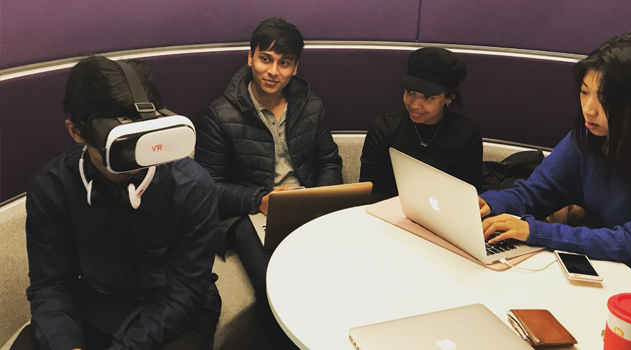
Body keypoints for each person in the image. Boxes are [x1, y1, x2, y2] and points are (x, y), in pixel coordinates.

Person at [10, 56, 221, 350]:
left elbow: (186, 291)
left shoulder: (192, 188)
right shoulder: (51, 186)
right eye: (121, 143)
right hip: (96, 301)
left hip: (173, 305)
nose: (134, 155)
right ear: (75, 131)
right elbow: (51, 285)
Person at [479, 33, 631, 302]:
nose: (588, 110)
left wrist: (535, 231)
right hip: (609, 269)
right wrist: (489, 204)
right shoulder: (588, 137)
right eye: (584, 92)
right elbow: (534, 194)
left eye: (603, 97)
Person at [194, 17, 342, 349]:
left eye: (284, 63)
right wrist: (259, 200)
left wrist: (322, 197)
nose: (273, 71)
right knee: (273, 284)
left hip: (305, 204)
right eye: (266, 59)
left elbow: (328, 160)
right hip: (248, 215)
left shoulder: (311, 106)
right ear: (250, 57)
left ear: (294, 67)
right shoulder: (220, 114)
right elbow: (208, 188)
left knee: (335, 270)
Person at [359, 47, 483, 203]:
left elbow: (469, 194)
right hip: (387, 215)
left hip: (444, 218)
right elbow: (371, 188)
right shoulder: (384, 127)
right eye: (410, 92)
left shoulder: (467, 134)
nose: (415, 105)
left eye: (428, 97)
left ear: (449, 98)